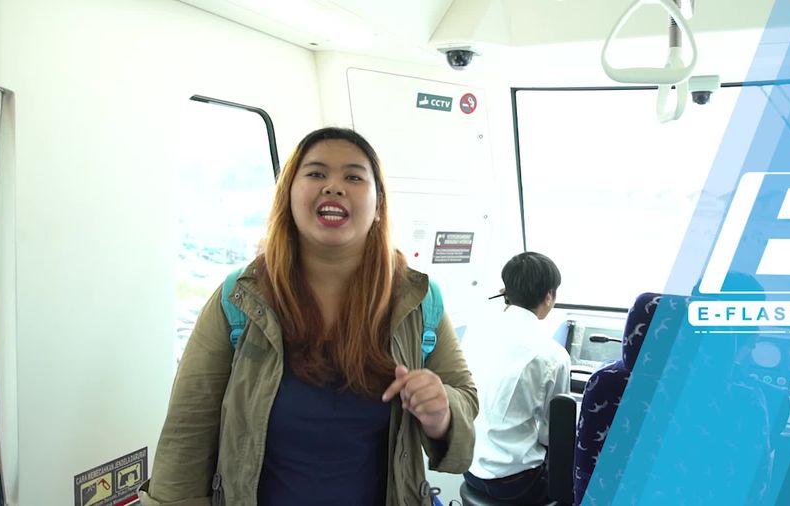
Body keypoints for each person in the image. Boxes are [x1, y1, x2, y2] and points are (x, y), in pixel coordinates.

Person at [139, 127, 478, 506]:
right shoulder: (239, 298)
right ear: (288, 195)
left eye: (353, 176)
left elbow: (463, 397)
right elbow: (188, 430)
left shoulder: (418, 299)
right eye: (316, 173)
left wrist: (441, 411)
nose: (334, 186)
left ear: (379, 204)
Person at [461, 252, 570, 504]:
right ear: (549, 296)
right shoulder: (553, 355)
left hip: (469, 469)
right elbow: (552, 434)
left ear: (506, 291)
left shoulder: (476, 331)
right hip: (514, 484)